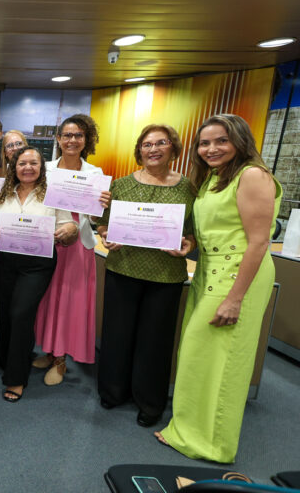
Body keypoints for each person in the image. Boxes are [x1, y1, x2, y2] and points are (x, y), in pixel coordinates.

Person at [157, 114, 282, 463]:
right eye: (205, 143)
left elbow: (258, 243)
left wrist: (235, 298)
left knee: (224, 362)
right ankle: (188, 431)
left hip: (236, 279)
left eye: (221, 141)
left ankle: (212, 443)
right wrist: (189, 243)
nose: (211, 149)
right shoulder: (215, 177)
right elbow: (218, 226)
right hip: (210, 273)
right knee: (199, 356)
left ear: (239, 141)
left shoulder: (252, 175)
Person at [94, 124, 196, 427]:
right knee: (117, 335)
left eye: (160, 143)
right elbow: (103, 223)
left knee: (156, 341)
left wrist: (188, 243)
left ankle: (150, 402)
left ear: (173, 149)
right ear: (139, 150)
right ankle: (113, 392)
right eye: (147, 144)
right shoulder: (121, 185)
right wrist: (105, 235)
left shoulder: (189, 188)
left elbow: (193, 232)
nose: (153, 149)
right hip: (123, 268)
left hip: (165, 275)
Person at [0, 146, 78, 402]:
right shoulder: (4, 194)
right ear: (14, 167)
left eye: (33, 163)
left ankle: (16, 378)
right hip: (7, 260)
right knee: (5, 312)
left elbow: (68, 225)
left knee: (21, 313)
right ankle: (8, 360)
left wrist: (68, 231)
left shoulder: (53, 194)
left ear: (41, 168)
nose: (27, 167)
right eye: (22, 163)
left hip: (37, 264)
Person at [33, 115, 109, 385]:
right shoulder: (46, 169)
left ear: (86, 140)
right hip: (48, 239)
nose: (72, 140)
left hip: (78, 244)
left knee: (69, 302)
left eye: (78, 135)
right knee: (48, 298)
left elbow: (95, 217)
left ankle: (62, 358)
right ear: (58, 139)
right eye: (67, 135)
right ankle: (50, 349)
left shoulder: (95, 174)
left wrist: (103, 206)